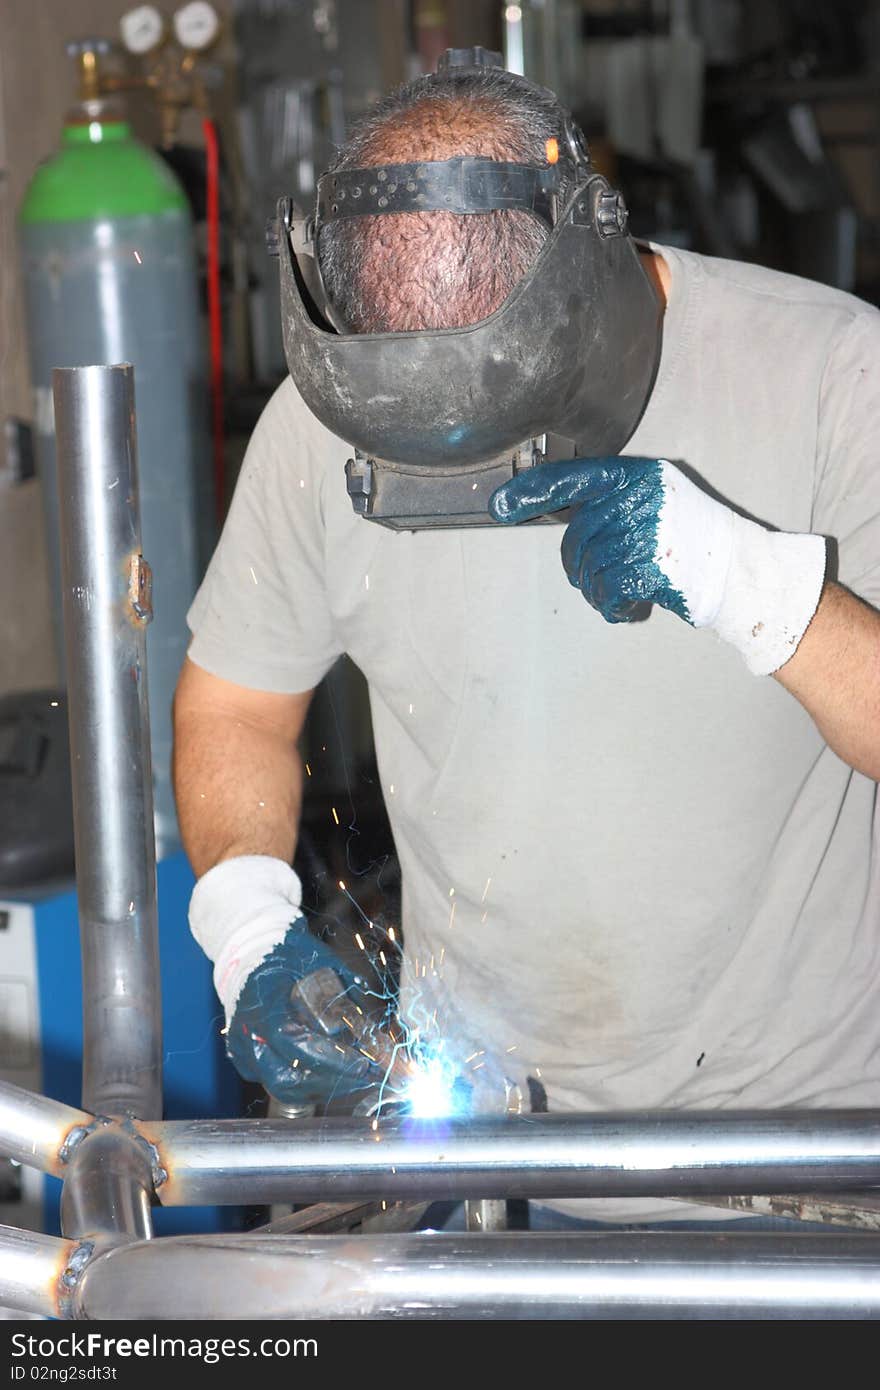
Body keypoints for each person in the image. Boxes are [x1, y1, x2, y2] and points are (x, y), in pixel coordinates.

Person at [173, 54, 880, 1222]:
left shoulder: (831, 373)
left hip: (808, 1171)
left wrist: (744, 579)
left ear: (593, 257)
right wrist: (248, 928)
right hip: (484, 1158)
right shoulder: (328, 417)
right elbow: (237, 705)